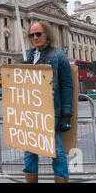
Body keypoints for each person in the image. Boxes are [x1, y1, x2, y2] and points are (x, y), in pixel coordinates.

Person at [21, 20, 73, 183]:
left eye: (38, 34)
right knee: (29, 152)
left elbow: (66, 85)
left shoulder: (59, 56)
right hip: (30, 112)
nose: (34, 37)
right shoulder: (26, 56)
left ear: (47, 35)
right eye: (31, 35)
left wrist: (66, 114)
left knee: (56, 151)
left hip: (51, 111)